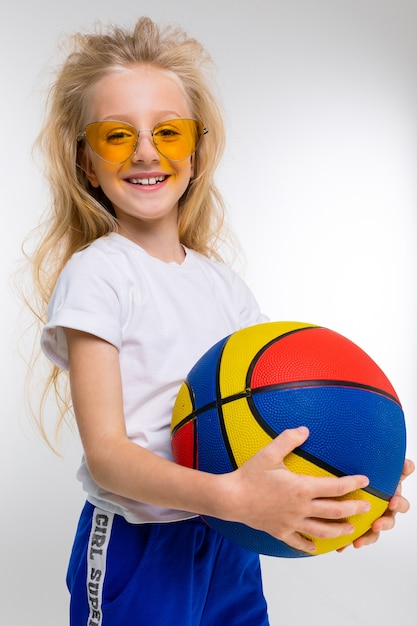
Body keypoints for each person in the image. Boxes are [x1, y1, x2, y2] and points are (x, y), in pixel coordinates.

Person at [28, 16, 413, 626]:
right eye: (118, 135)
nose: (147, 152)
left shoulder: (223, 287)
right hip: (139, 542)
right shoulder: (97, 275)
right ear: (86, 161)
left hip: (230, 541)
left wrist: (346, 494)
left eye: (169, 133)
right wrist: (233, 495)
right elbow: (107, 454)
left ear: (197, 149)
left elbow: (287, 413)